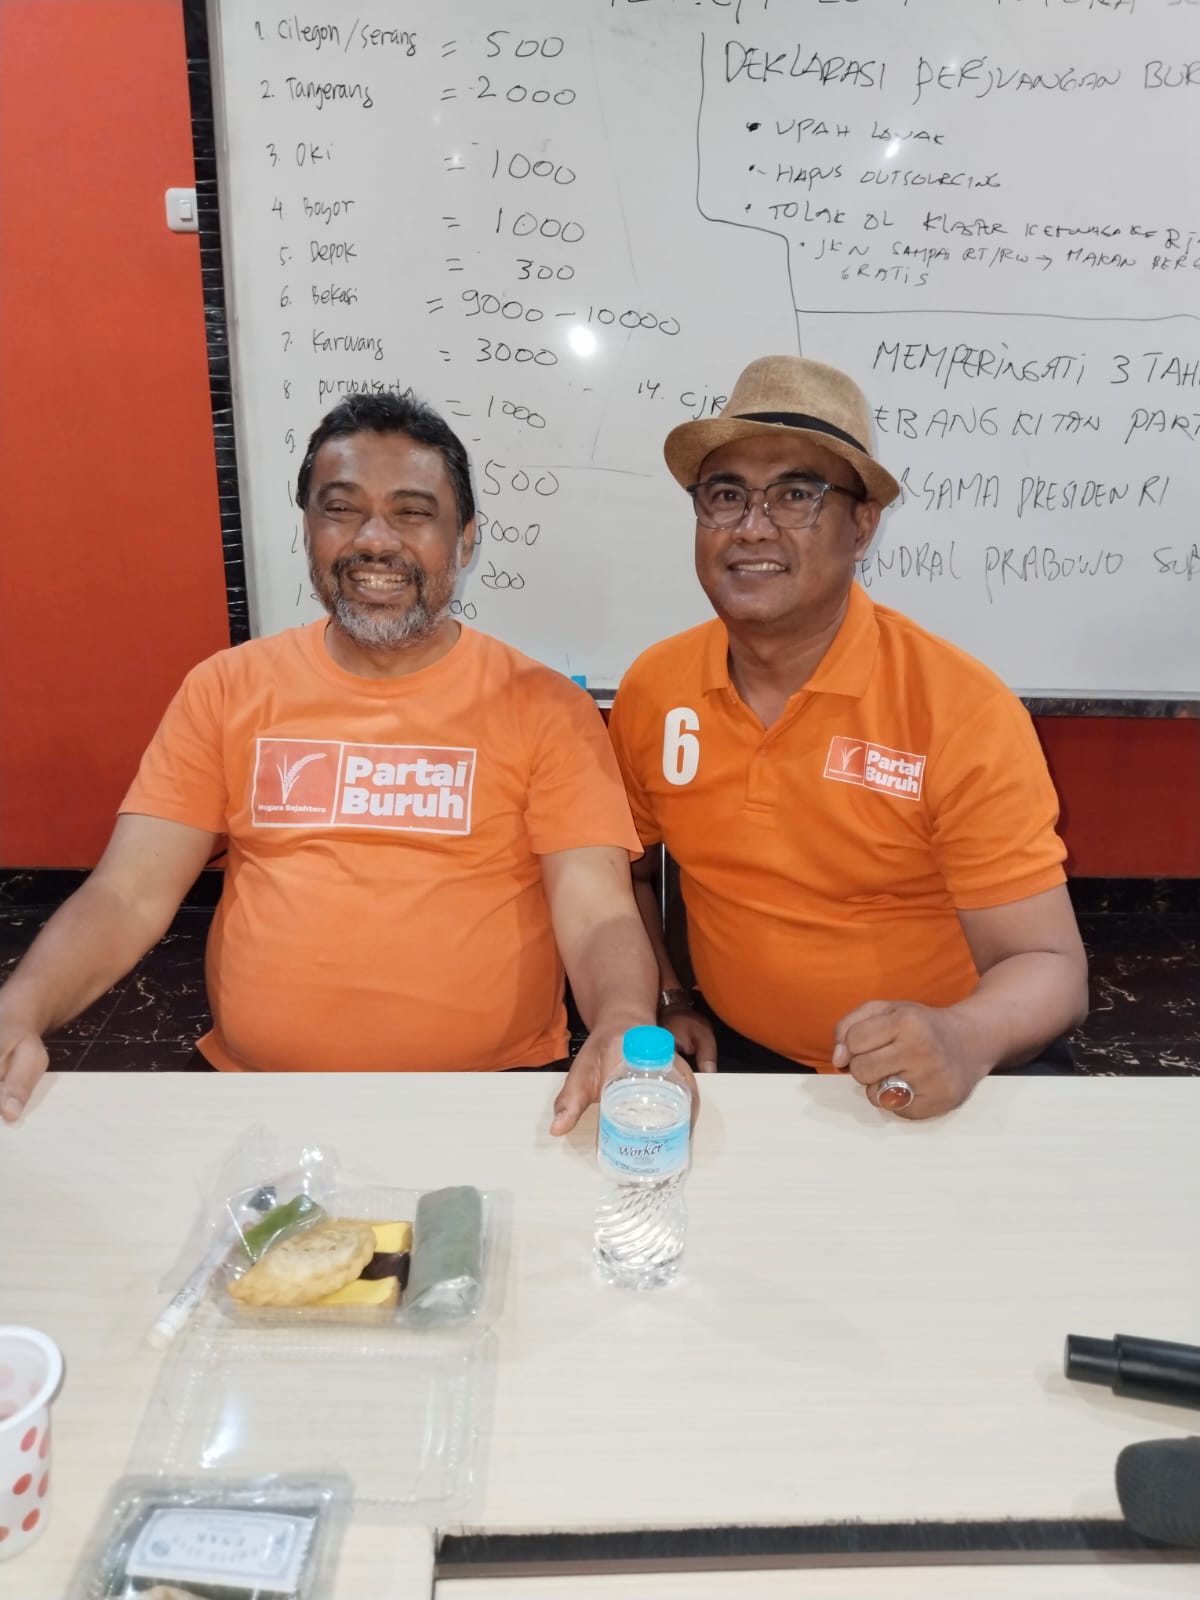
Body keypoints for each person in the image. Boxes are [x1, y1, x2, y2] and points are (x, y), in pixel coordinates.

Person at [0, 391, 680, 1133]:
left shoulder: (545, 705)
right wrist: (18, 1009)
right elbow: (127, 893)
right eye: (341, 509)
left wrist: (622, 1021)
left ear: (465, 540)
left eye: (413, 512)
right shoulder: (226, 688)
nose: (375, 540)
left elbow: (596, 909)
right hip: (257, 1096)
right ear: (308, 530)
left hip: (488, 1096)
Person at [608, 356, 1088, 1119]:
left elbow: (1050, 965)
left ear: (861, 526)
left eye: (796, 495)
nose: (752, 527)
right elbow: (621, 875)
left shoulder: (959, 707)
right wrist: (668, 998)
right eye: (725, 496)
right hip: (742, 1059)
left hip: (955, 1061)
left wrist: (963, 1037)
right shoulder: (654, 688)